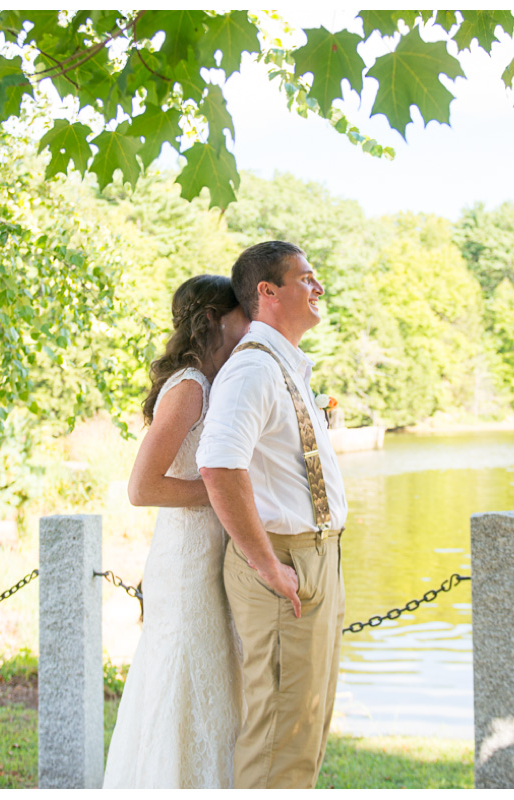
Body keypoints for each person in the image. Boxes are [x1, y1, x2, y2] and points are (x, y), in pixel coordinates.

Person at [197, 241, 349, 789]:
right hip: (284, 563)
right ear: (267, 292)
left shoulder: (286, 366)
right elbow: (217, 466)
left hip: (318, 559)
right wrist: (266, 564)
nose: (319, 287)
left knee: (305, 727)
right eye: (306, 278)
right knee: (279, 736)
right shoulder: (253, 371)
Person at [102, 274, 251, 789]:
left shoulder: (216, 384)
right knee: (185, 685)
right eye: (243, 315)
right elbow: (142, 488)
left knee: (212, 687)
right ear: (213, 320)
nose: (251, 325)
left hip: (210, 559)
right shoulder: (189, 387)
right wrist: (220, 492)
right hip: (186, 565)